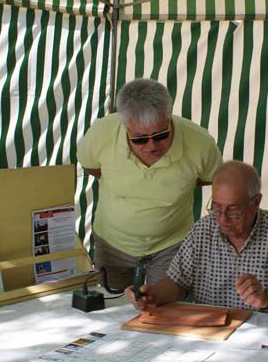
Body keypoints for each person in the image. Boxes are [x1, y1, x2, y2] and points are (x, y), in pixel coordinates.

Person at [77, 78, 222, 290]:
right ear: (124, 126)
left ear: (169, 117)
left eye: (161, 135)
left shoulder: (200, 143)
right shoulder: (101, 133)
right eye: (140, 139)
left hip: (171, 245)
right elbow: (90, 166)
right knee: (112, 311)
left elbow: (210, 177)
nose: (152, 146)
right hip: (112, 244)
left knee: (164, 312)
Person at [125, 160, 268, 316]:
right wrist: (152, 295)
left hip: (262, 335)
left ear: (256, 202)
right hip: (209, 330)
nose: (222, 218)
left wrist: (267, 299)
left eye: (233, 210)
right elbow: (176, 282)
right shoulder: (203, 230)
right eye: (216, 207)